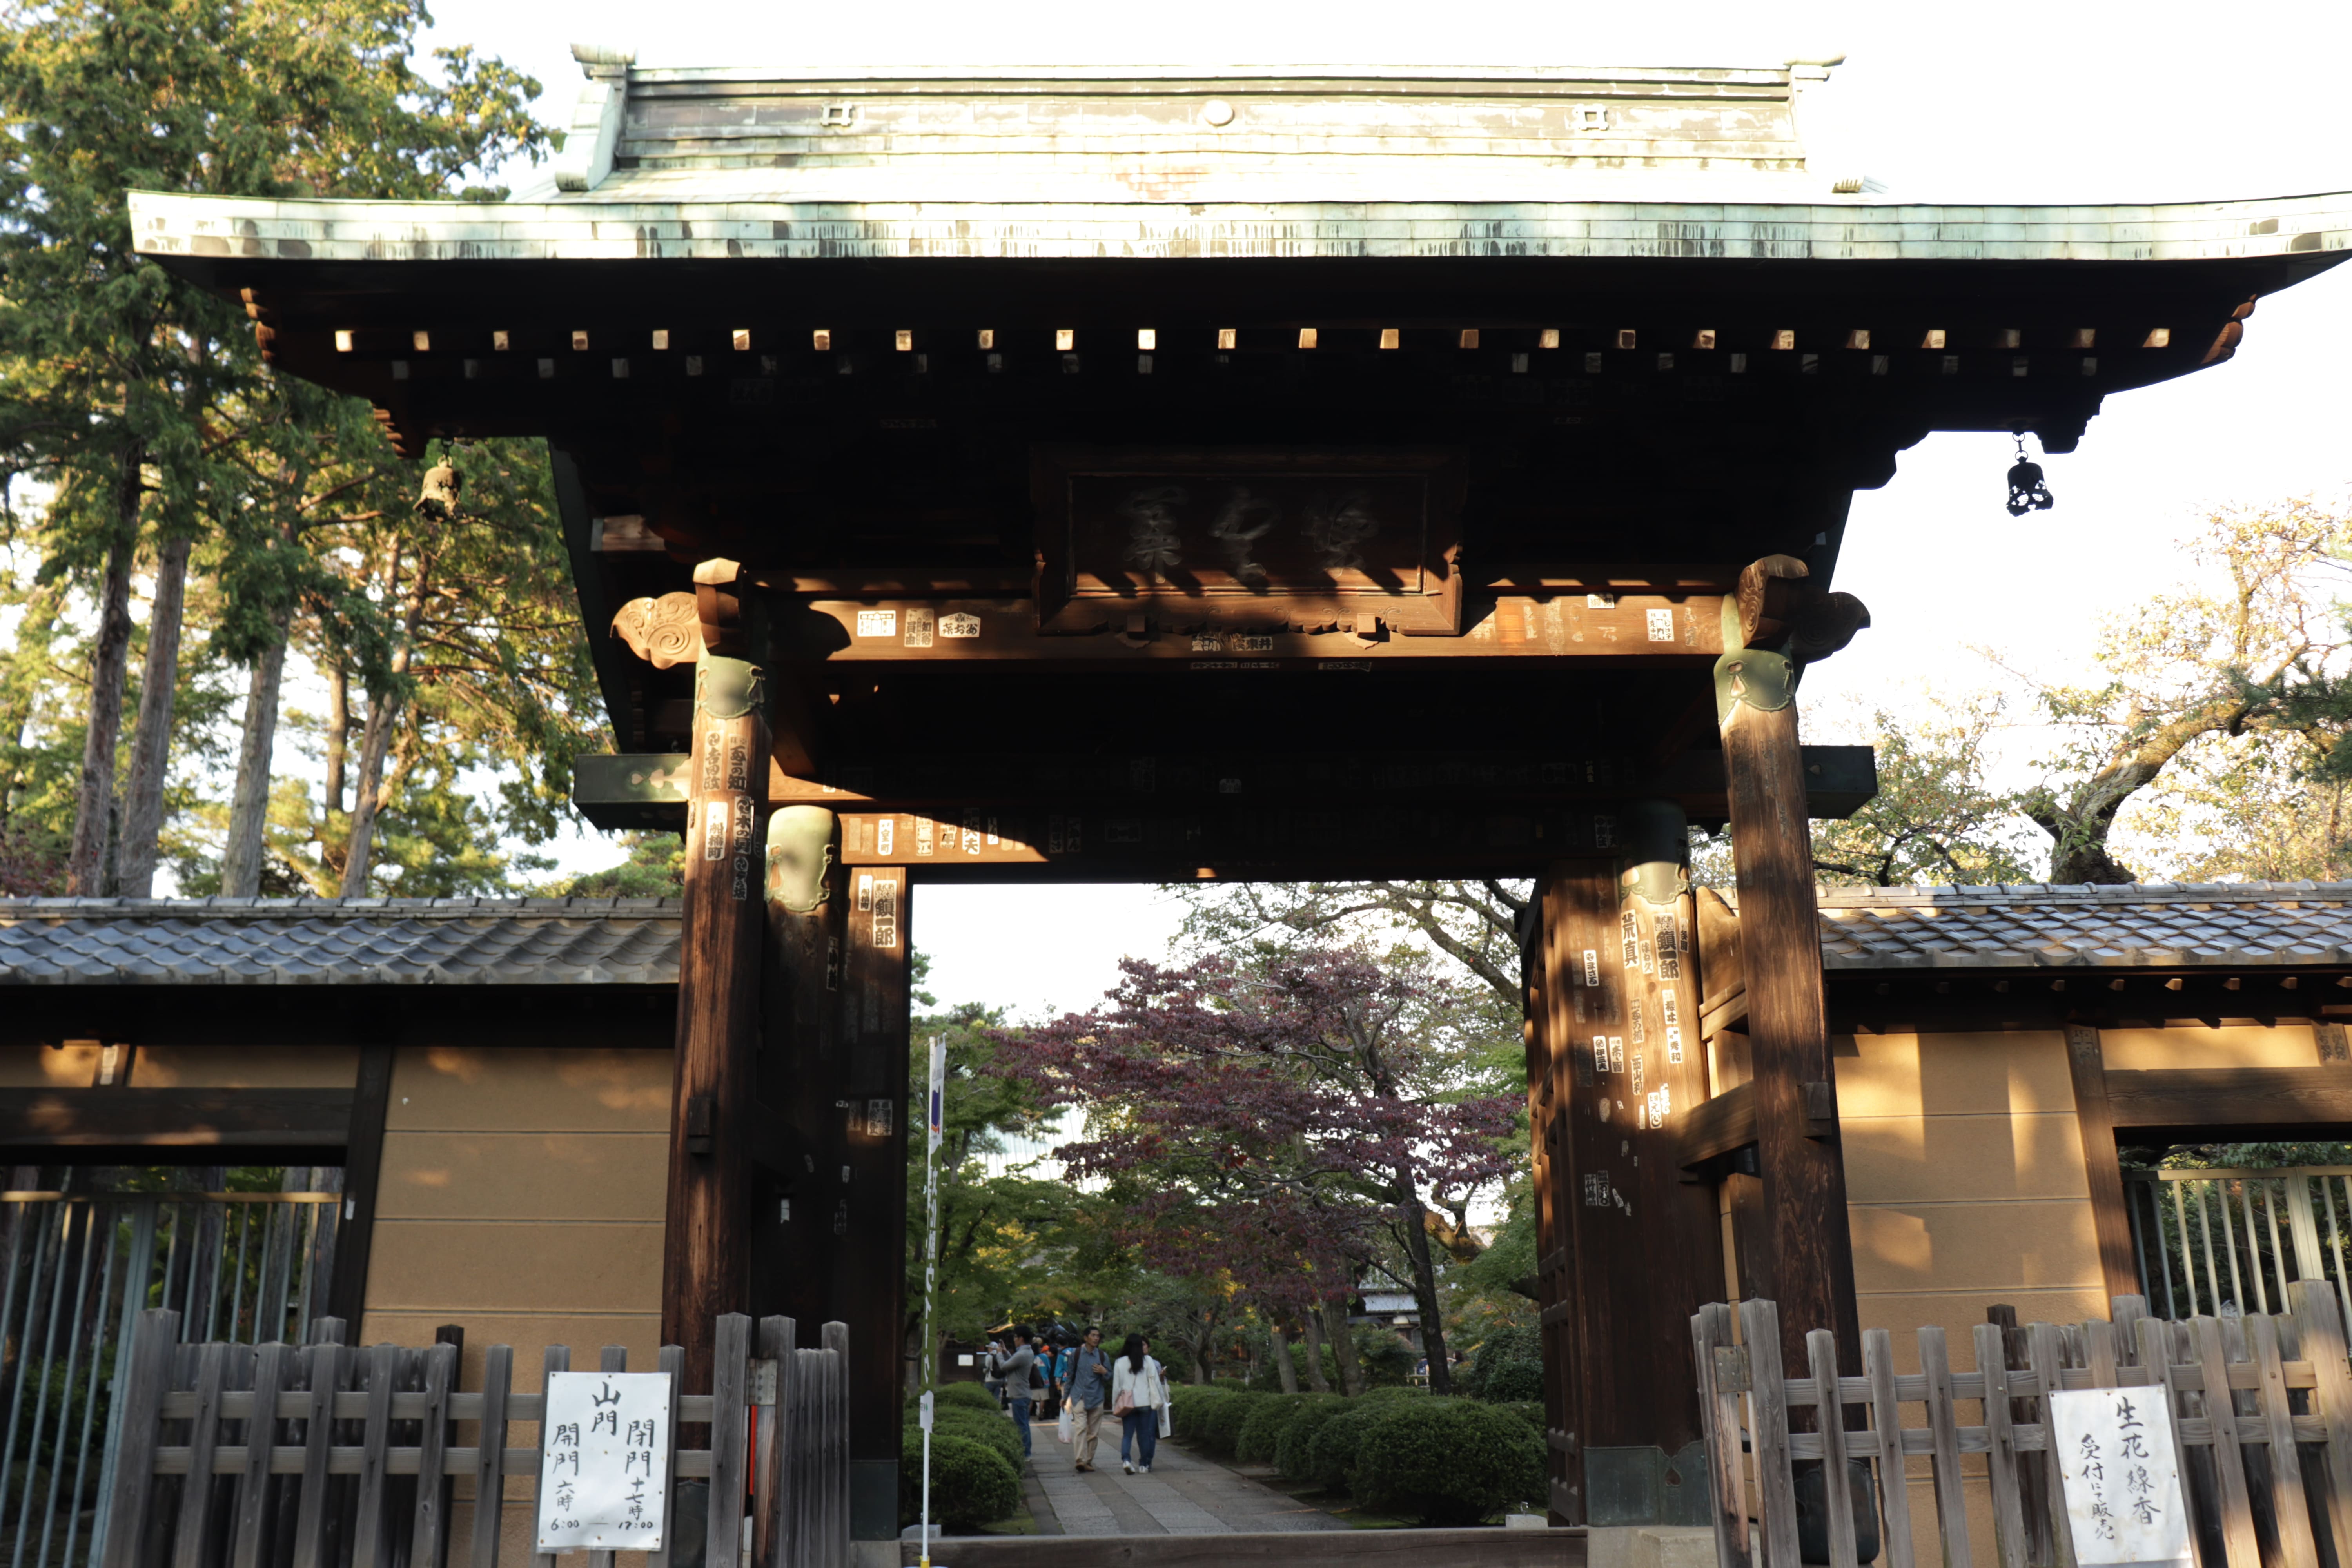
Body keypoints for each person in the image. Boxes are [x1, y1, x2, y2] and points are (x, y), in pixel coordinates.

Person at [1111, 1332, 1167, 1475]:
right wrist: (1162, 1400)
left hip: (1127, 1403)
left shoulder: (1120, 1362)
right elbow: (1155, 1383)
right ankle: (1144, 1464)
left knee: (1127, 1435)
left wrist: (1114, 1404)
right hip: (1145, 1403)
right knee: (1144, 1435)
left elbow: (1117, 1387)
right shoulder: (1148, 1360)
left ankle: (1126, 1461)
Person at [1066, 1327, 1114, 1473]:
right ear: (1086, 1338)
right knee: (1080, 1428)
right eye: (1093, 1336)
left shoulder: (1102, 1356)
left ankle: (1088, 1461)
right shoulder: (1076, 1354)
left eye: (1098, 1336)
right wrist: (1065, 1397)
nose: (1096, 1338)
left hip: (1097, 1398)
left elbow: (1111, 1377)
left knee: (1093, 1433)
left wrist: (1104, 1372)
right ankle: (1080, 1460)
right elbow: (1070, 1377)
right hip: (1079, 1396)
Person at [1000, 1325, 1038, 1460]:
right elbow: (1013, 1362)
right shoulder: (1025, 1352)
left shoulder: (1023, 1354)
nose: (1014, 1340)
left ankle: (1025, 1453)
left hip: (1019, 1394)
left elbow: (1004, 1367)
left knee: (1021, 1425)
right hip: (1023, 1393)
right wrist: (1005, 1353)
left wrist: (999, 1354)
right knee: (1024, 1424)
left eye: (1015, 1337)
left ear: (1021, 1339)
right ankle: (1027, 1451)